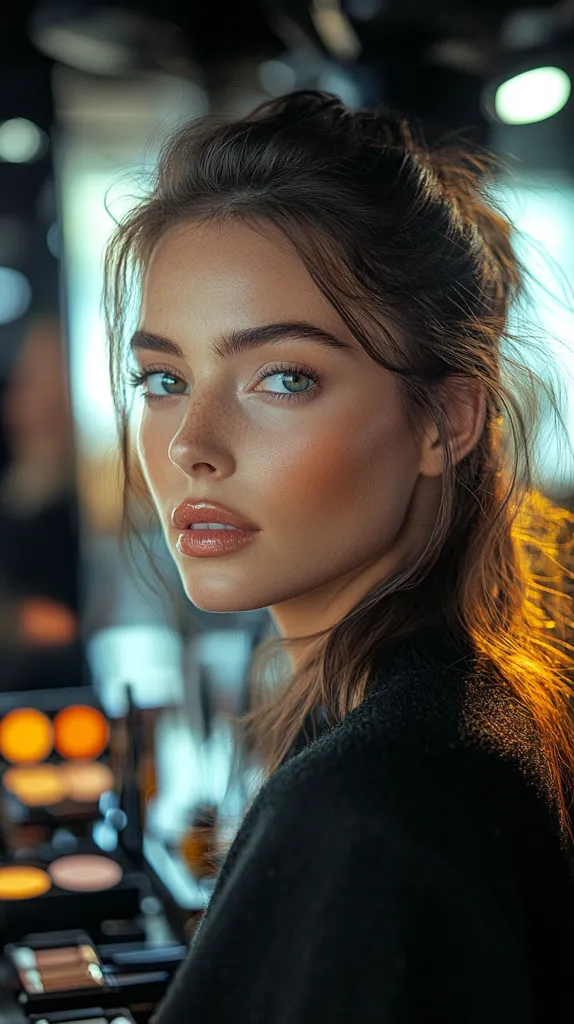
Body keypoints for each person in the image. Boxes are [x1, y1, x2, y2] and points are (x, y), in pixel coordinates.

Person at [103, 90, 574, 1022]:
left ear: (446, 420)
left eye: (284, 378)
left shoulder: (372, 804)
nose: (192, 444)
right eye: (164, 378)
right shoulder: (435, 723)